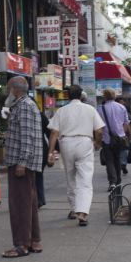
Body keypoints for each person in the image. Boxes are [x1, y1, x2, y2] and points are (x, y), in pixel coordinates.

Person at [47, 85, 105, 227]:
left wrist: (50, 152)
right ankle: (83, 213)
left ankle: (73, 209)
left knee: (70, 176)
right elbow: (99, 131)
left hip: (66, 143)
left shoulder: (61, 110)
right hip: (84, 142)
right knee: (85, 178)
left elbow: (54, 132)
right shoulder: (90, 109)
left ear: (68, 96)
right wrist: (97, 144)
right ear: (81, 96)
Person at [1, 76, 43, 258]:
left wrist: (22, 163)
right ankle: (33, 240)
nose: (7, 91)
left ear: (15, 90)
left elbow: (27, 137)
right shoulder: (23, 105)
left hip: (21, 163)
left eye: (8, 88)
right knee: (29, 202)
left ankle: (21, 245)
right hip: (22, 161)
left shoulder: (24, 106)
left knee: (20, 204)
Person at [98, 89, 131, 187]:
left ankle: (112, 181)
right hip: (120, 138)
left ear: (104, 97)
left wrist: (97, 140)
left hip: (106, 138)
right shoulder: (122, 107)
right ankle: (118, 181)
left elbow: (98, 126)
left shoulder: (100, 108)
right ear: (114, 96)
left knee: (109, 160)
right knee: (117, 159)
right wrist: (126, 134)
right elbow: (126, 123)